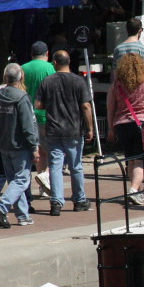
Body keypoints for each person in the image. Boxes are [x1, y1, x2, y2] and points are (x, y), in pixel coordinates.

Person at [36, 50, 94, 215]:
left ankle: (56, 202)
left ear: (55, 62)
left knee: (55, 166)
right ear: (69, 62)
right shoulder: (78, 81)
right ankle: (79, 200)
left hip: (53, 129)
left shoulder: (47, 81)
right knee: (76, 166)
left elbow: (38, 105)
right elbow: (86, 106)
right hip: (74, 129)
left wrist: (51, 105)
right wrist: (89, 128)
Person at [106, 53, 144, 205]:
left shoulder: (116, 85)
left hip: (122, 125)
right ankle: (133, 190)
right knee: (141, 161)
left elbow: (110, 108)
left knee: (131, 159)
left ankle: (137, 193)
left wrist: (111, 128)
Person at [0, 63, 39, 228]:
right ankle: (2, 207)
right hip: (19, 146)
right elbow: (28, 125)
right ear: (21, 77)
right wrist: (34, 146)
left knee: (14, 181)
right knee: (21, 180)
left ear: (5, 77)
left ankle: (23, 215)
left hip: (3, 145)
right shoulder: (22, 97)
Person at [22, 41, 55, 198]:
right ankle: (46, 177)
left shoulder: (23, 68)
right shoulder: (50, 68)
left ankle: (43, 186)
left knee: (39, 152)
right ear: (47, 54)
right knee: (53, 151)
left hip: (28, 115)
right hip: (47, 115)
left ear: (31, 54)